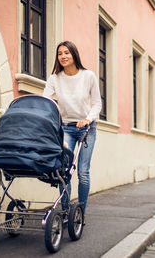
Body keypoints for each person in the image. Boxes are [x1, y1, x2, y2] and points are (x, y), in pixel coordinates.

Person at [43, 41, 101, 214]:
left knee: (82, 172)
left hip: (86, 129)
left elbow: (97, 104)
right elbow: (46, 100)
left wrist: (88, 119)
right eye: (60, 53)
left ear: (74, 54)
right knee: (63, 171)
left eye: (67, 52)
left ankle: (80, 212)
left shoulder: (88, 76)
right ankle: (66, 209)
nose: (63, 56)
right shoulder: (55, 78)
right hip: (66, 128)